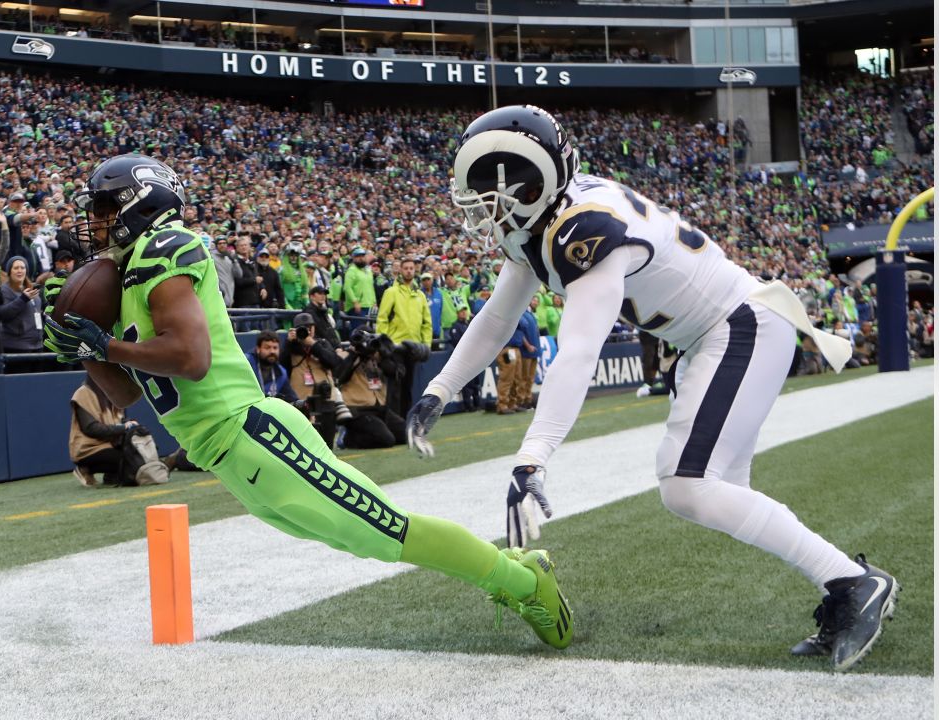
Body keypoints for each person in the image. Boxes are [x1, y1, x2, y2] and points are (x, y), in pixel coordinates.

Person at [406, 106, 891, 671]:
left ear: (534, 183)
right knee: (707, 490)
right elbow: (496, 317)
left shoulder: (584, 229)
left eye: (496, 196)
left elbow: (581, 350)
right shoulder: (545, 219)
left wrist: (532, 457)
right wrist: (439, 389)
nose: (487, 209)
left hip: (739, 326)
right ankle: (847, 585)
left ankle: (854, 584)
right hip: (714, 337)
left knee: (688, 485)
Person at [42, 153, 573, 650]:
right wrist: (84, 349)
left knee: (387, 529)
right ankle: (515, 572)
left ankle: (522, 580)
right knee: (367, 539)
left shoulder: (165, 246)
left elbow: (190, 357)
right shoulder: (132, 274)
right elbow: (127, 391)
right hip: (226, 453)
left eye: (106, 207)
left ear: (143, 202)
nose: (97, 220)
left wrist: (103, 342)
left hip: (250, 433)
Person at [69, 376, 166, 487]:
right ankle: (86, 468)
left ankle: (112, 475)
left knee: (137, 455)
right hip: (89, 448)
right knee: (130, 460)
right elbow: (91, 428)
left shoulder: (112, 393)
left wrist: (131, 425)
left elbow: (119, 420)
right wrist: (124, 427)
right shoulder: (83, 393)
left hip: (111, 444)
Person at [280, 313, 350, 447]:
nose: (307, 330)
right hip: (302, 402)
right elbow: (282, 368)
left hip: (326, 399)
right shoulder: (291, 347)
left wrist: (312, 344)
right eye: (303, 328)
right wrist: (288, 343)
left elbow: (334, 362)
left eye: (310, 327)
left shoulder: (321, 344)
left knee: (327, 444)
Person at [376, 257, 432, 417]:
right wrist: (385, 344)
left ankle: (404, 420)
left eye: (411, 268)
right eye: (405, 268)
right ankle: (394, 421)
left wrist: (425, 346)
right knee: (395, 387)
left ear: (415, 271)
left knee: (408, 387)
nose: (408, 270)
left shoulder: (420, 295)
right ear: (400, 270)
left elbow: (427, 323)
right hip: (395, 348)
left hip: (413, 348)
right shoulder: (391, 292)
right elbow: (382, 318)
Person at [0, 256, 46, 373]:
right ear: (9, 271)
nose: (19, 270)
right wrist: (22, 299)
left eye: (22, 268)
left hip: (37, 346)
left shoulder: (31, 289)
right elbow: (2, 313)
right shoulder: (4, 290)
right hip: (16, 347)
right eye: (16, 268)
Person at [248, 330, 299, 405]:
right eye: (267, 347)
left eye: (275, 348)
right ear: (258, 349)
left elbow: (291, 398)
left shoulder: (281, 372)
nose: (272, 351)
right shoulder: (247, 363)